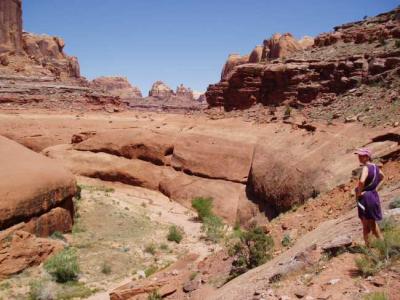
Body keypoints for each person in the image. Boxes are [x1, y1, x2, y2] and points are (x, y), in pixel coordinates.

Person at [354, 148, 385, 246]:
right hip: (373, 196)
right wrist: (375, 188)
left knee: (366, 223)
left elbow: (362, 181)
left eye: (361, 155)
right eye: (359, 155)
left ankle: (368, 247)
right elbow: (383, 177)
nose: (359, 157)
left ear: (367, 157)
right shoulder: (376, 167)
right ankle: (383, 245)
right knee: (372, 222)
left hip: (365, 198)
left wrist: (359, 192)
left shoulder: (366, 168)